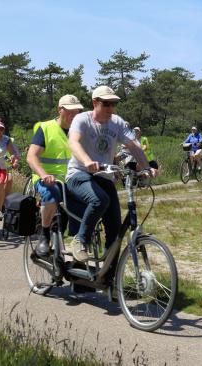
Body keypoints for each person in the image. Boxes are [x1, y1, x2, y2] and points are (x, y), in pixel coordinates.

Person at [66, 86, 157, 262]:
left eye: (113, 104)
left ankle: (110, 279)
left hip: (104, 177)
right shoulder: (81, 119)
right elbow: (74, 142)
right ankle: (80, 240)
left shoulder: (117, 122)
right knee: (99, 200)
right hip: (79, 173)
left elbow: (133, 146)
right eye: (106, 104)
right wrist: (86, 161)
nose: (110, 108)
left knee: (115, 230)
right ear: (95, 103)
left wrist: (146, 167)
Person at [26, 95, 84, 256]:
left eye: (77, 111)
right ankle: (44, 235)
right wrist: (44, 174)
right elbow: (31, 156)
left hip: (72, 179)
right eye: (70, 111)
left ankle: (78, 243)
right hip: (47, 178)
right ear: (60, 110)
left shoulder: (80, 130)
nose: (74, 114)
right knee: (52, 195)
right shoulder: (45, 128)